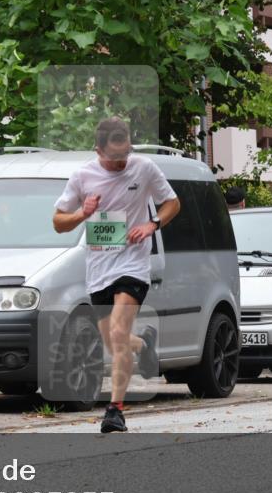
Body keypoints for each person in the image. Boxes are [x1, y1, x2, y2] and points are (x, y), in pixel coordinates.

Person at [53, 118, 180, 433]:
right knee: (113, 341)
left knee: (119, 333)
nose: (121, 163)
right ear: (98, 151)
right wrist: (83, 213)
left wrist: (152, 224)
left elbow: (173, 203)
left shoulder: (144, 168)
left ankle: (115, 410)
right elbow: (58, 222)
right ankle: (144, 345)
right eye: (114, 158)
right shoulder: (83, 176)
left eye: (125, 155)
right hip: (99, 270)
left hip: (133, 266)